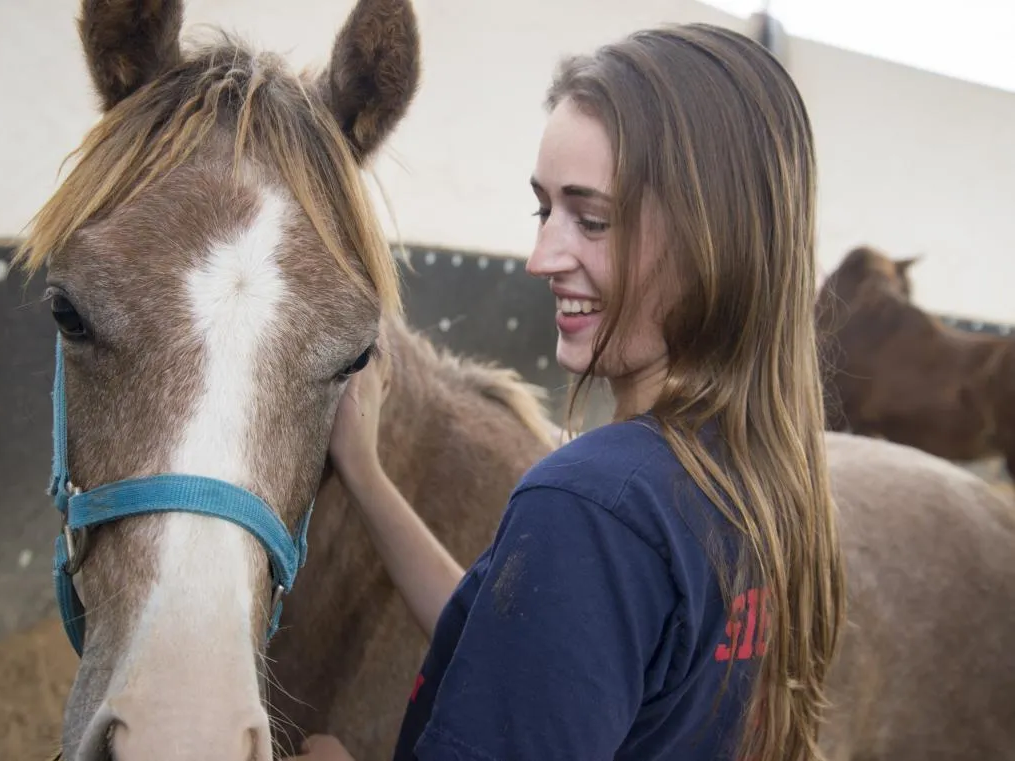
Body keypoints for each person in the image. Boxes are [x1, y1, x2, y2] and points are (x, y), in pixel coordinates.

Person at [289, 22, 846, 761]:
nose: (541, 256)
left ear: (715, 242)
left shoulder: (592, 502)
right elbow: (524, 644)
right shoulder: (752, 481)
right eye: (542, 210)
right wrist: (367, 476)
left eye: (592, 219)